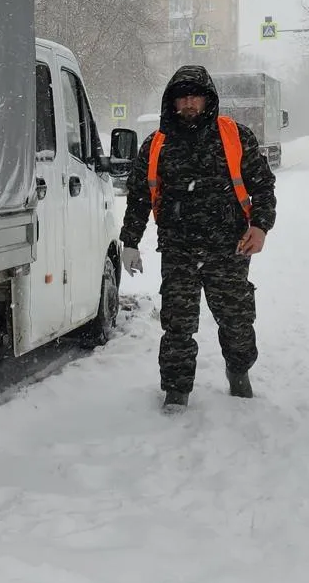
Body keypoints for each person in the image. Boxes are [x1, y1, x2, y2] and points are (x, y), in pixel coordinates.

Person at [119, 65, 278, 409]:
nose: (189, 103)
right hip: (178, 250)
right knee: (177, 325)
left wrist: (260, 227)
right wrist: (130, 241)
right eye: (182, 97)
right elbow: (138, 197)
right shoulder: (157, 144)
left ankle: (239, 372)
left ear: (208, 100)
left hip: (229, 249)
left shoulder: (235, 136)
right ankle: (176, 393)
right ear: (172, 102)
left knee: (236, 319)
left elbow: (263, 186)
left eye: (195, 96)